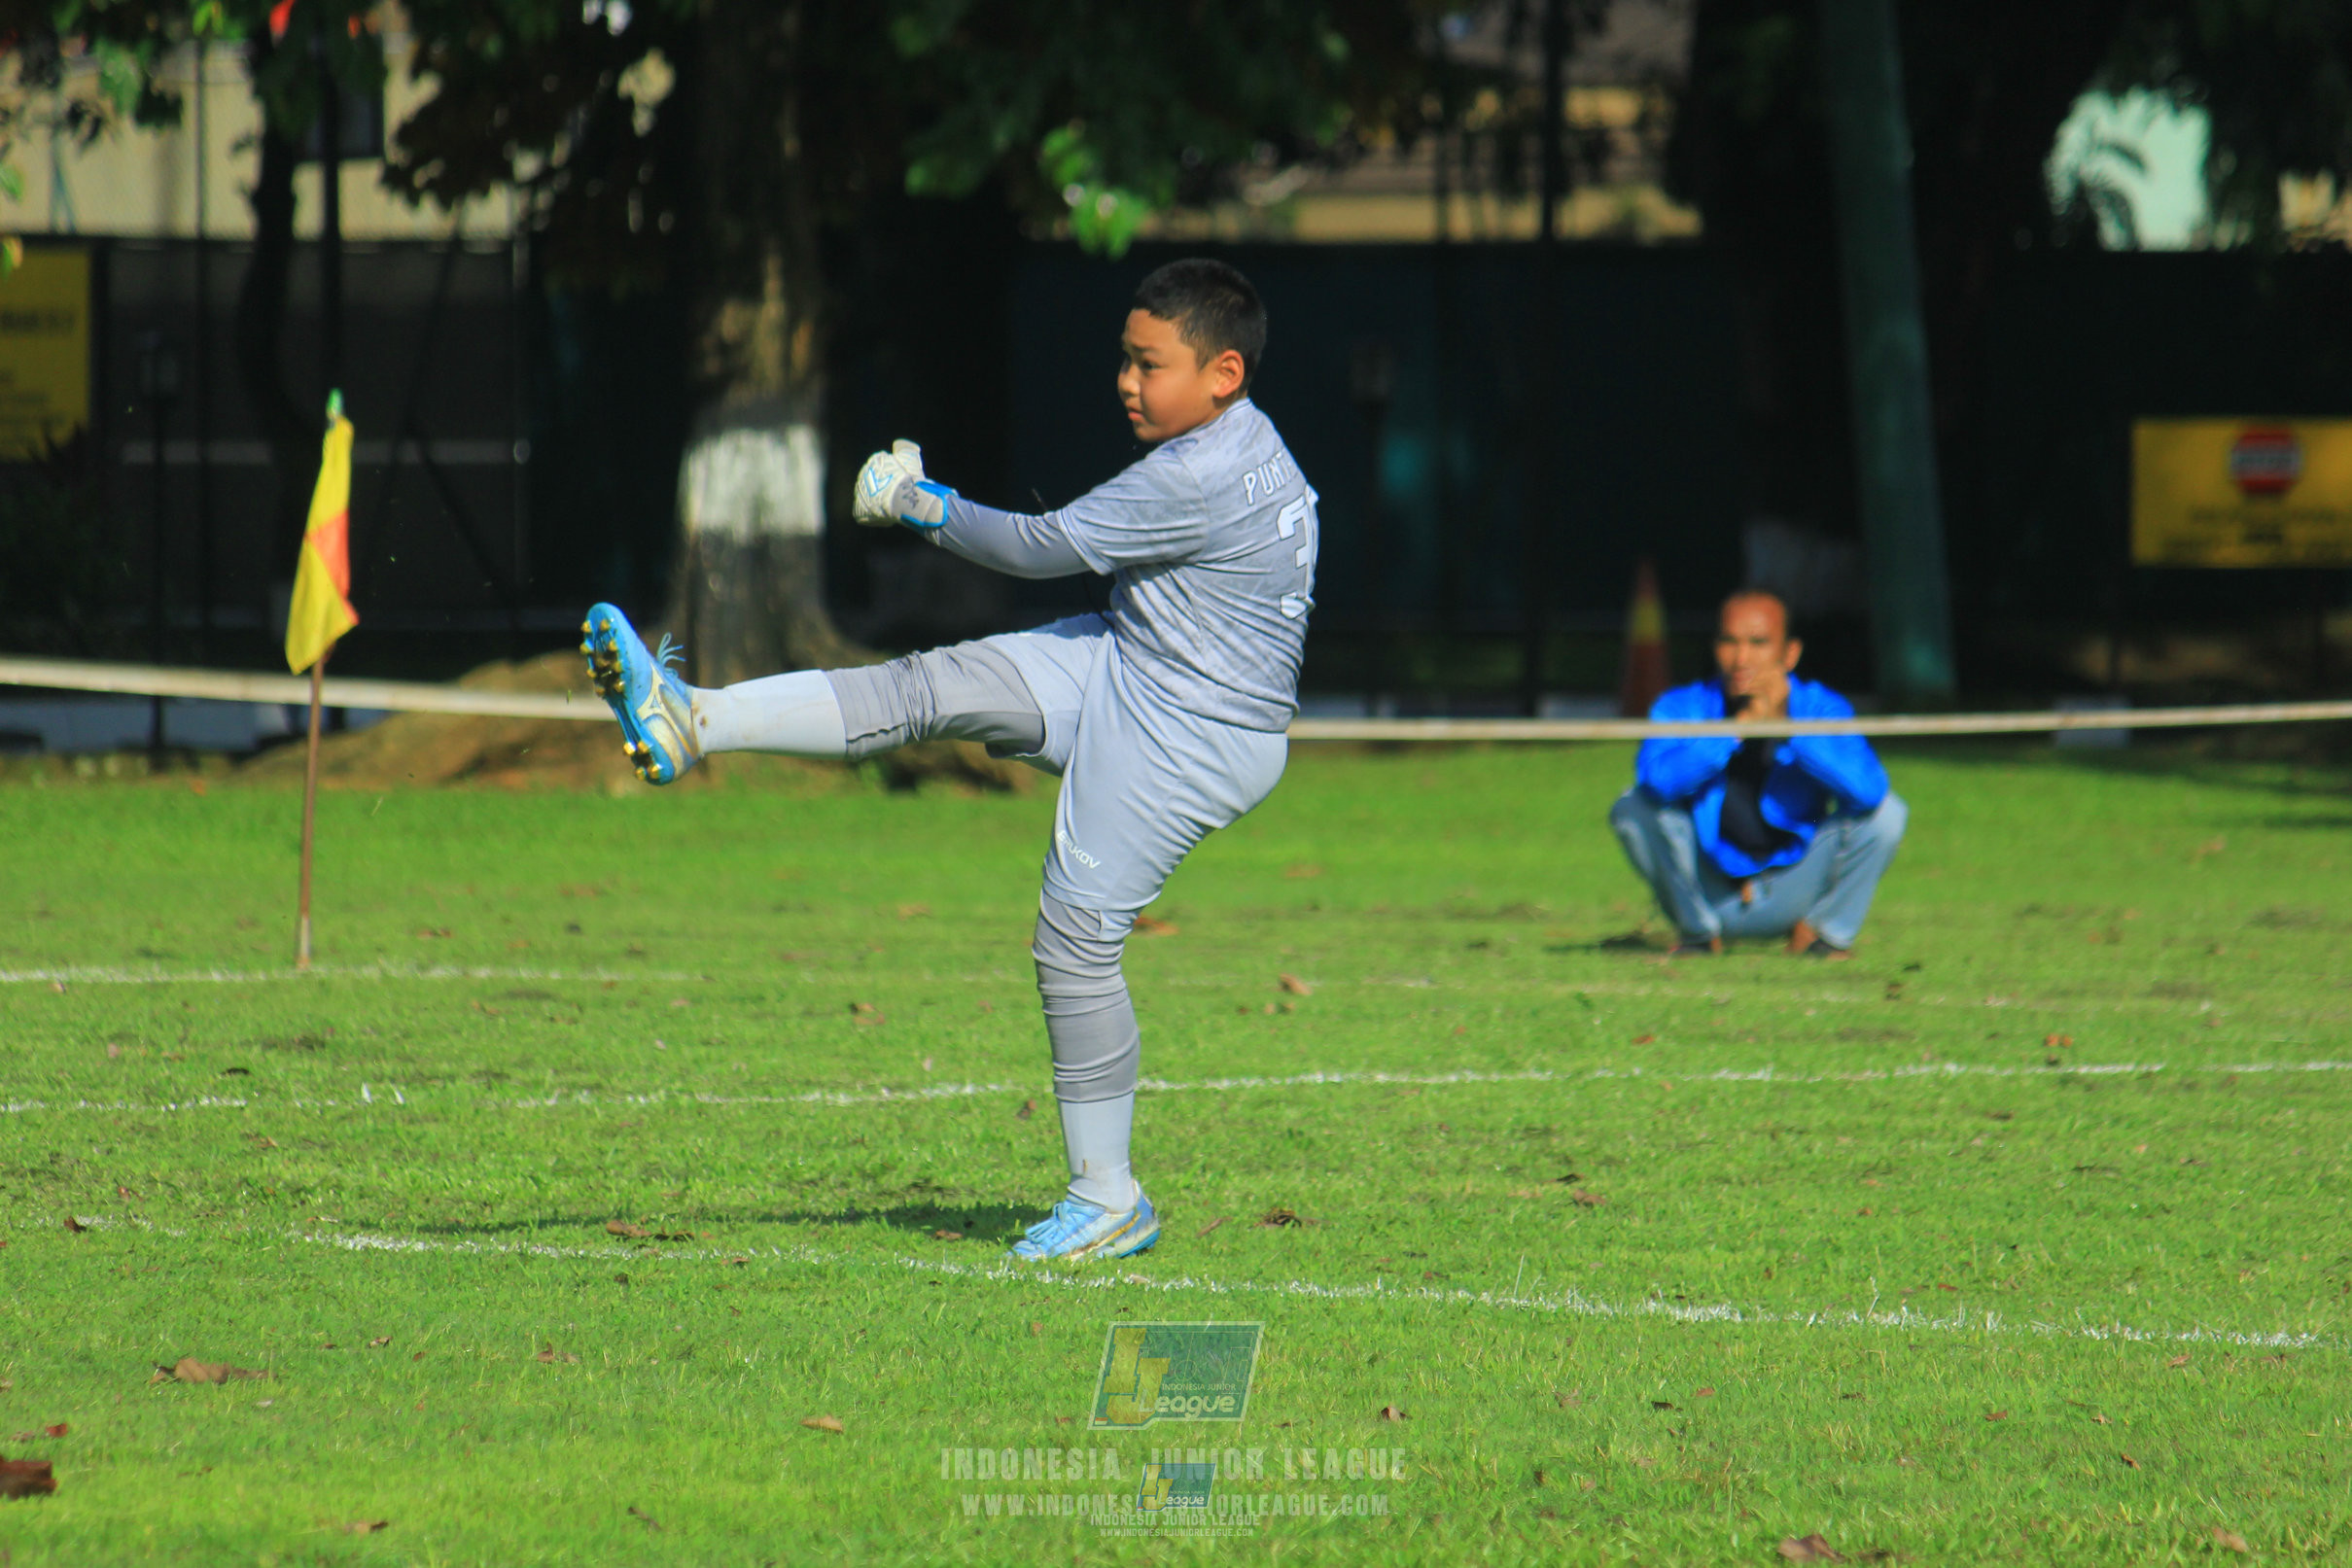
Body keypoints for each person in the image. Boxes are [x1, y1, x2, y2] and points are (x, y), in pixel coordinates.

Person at [579, 259, 1316, 1263]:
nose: (1124, 381)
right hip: (1132, 661)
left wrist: (918, 500)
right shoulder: (1234, 441)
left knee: (1072, 944)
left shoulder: (1198, 475)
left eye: (1149, 364)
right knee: (924, 689)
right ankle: (690, 718)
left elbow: (1032, 548)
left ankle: (1109, 1197)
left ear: (1223, 371)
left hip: (1192, 728)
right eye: (1122, 358)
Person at [1608, 590, 1906, 958]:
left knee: (1887, 815)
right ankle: (1698, 936)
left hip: (1794, 886)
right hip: (1708, 890)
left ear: (1790, 653)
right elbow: (1656, 784)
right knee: (1630, 807)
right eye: (1729, 642)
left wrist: (1789, 728)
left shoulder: (1820, 706)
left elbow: (1868, 791)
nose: (1741, 658)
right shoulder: (1682, 705)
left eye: (1758, 643)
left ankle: (1823, 935)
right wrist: (1735, 730)